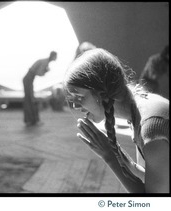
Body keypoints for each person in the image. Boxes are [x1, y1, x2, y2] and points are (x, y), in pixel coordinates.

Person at [63, 48, 169, 193]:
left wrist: (110, 156)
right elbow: (159, 180)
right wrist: (127, 163)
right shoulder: (139, 110)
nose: (75, 105)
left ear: (101, 93)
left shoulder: (151, 127)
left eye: (79, 97)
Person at [23, 51, 57, 126]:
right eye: (56, 56)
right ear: (53, 56)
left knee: (30, 99)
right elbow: (38, 73)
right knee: (30, 99)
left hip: (29, 79)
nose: (56, 58)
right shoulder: (45, 62)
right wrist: (46, 71)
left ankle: (32, 120)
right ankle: (32, 120)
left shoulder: (45, 61)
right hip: (28, 79)